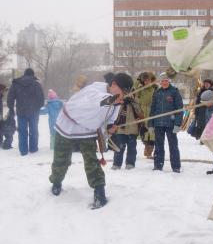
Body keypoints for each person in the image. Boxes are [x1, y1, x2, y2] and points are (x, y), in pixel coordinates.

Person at [48, 73, 133, 208]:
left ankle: (99, 191)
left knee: (91, 161)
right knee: (61, 159)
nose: (124, 95)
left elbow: (110, 118)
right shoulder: (94, 90)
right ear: (114, 85)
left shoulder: (116, 100)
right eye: (124, 91)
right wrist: (113, 99)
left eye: (127, 92)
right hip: (67, 124)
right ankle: (56, 182)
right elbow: (99, 102)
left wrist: (110, 127)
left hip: (87, 130)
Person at [148, 74, 183, 173]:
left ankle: (176, 167)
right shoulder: (157, 93)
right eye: (162, 81)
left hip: (171, 124)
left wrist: (177, 123)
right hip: (158, 123)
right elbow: (153, 109)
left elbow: (179, 109)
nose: (164, 82)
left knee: (173, 146)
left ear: (169, 81)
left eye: (166, 81)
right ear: (160, 82)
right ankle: (158, 165)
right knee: (158, 146)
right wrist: (150, 124)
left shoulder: (174, 92)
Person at [7, 68, 44, 156]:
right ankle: (33, 148)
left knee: (22, 131)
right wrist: (38, 107)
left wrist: (11, 108)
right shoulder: (36, 84)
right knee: (33, 130)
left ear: (24, 74)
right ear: (32, 74)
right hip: (33, 111)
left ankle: (23, 151)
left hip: (21, 111)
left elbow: (10, 97)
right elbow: (41, 99)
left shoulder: (16, 83)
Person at [112, 91, 143, 170]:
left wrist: (133, 102)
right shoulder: (119, 101)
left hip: (132, 128)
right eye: (125, 94)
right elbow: (114, 113)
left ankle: (130, 163)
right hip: (120, 128)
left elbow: (140, 112)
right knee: (119, 147)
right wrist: (122, 103)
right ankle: (117, 164)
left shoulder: (135, 101)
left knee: (132, 148)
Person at [134, 72, 158, 158]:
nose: (146, 82)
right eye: (145, 80)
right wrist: (138, 79)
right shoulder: (140, 89)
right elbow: (134, 87)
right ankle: (146, 147)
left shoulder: (155, 88)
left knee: (152, 134)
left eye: (148, 80)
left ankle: (149, 152)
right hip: (143, 114)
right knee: (143, 133)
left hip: (152, 113)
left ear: (151, 80)